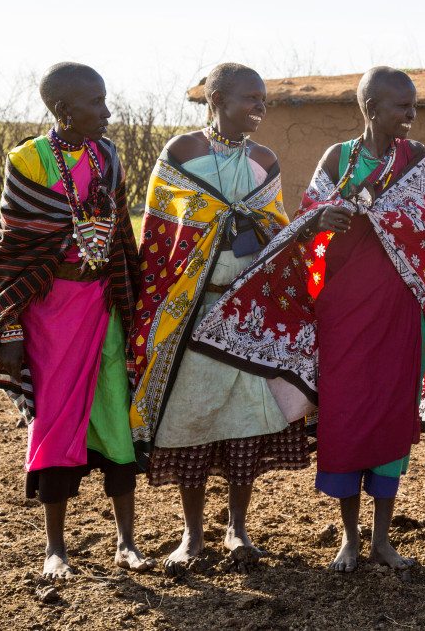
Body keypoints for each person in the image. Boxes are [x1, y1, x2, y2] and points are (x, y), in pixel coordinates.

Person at [189, 66, 425, 573]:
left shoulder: (417, 159)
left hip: (398, 308)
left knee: (389, 418)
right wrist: (325, 218)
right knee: (346, 417)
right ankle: (349, 539)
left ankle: (382, 539)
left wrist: (385, 223)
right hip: (343, 309)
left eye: (414, 106)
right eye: (402, 107)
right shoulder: (338, 158)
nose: (412, 116)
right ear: (371, 108)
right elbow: (307, 218)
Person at [0, 62, 153, 579]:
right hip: (51, 312)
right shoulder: (29, 161)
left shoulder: (108, 155)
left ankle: (126, 541)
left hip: (103, 307)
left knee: (117, 417)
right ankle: (56, 548)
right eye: (96, 102)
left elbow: (119, 236)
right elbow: (11, 253)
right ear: (64, 110)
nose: (107, 111)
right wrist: (9, 330)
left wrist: (129, 300)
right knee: (54, 422)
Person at [129, 63, 310, 574]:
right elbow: (163, 238)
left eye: (264, 98)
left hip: (246, 313)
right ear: (217, 100)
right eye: (250, 97)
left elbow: (276, 231)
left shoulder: (265, 161)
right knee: (193, 417)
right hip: (194, 311)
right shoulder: (182, 154)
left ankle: (238, 528)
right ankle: (191, 535)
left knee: (245, 422)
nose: (260, 106)